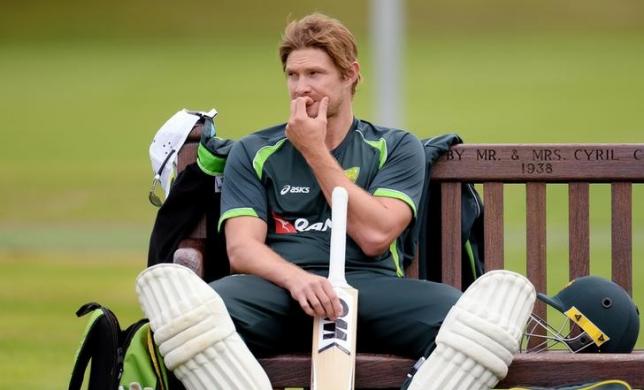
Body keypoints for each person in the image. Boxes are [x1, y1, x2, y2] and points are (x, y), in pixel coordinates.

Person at [136, 13, 536, 390]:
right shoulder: (255, 151)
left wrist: (313, 151)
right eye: (292, 75)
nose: (300, 87)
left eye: (315, 74)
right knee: (191, 312)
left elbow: (375, 235)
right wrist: (297, 279)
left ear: (351, 75)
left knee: (477, 321)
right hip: (279, 293)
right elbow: (242, 249)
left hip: (372, 290)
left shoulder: (395, 147)